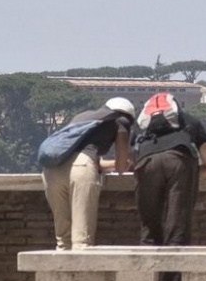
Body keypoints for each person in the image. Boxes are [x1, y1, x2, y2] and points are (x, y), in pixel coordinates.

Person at [131, 92, 206, 281]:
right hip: (180, 161)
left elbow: (133, 160)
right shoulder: (189, 121)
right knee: (176, 233)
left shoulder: (141, 129)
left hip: (146, 164)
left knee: (149, 233)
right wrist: (187, 176)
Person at [36, 97, 134, 250]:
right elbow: (121, 166)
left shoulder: (83, 117)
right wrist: (130, 164)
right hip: (82, 166)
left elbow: (90, 161)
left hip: (52, 170)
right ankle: (81, 274)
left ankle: (61, 272)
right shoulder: (121, 120)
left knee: (63, 239)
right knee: (81, 240)